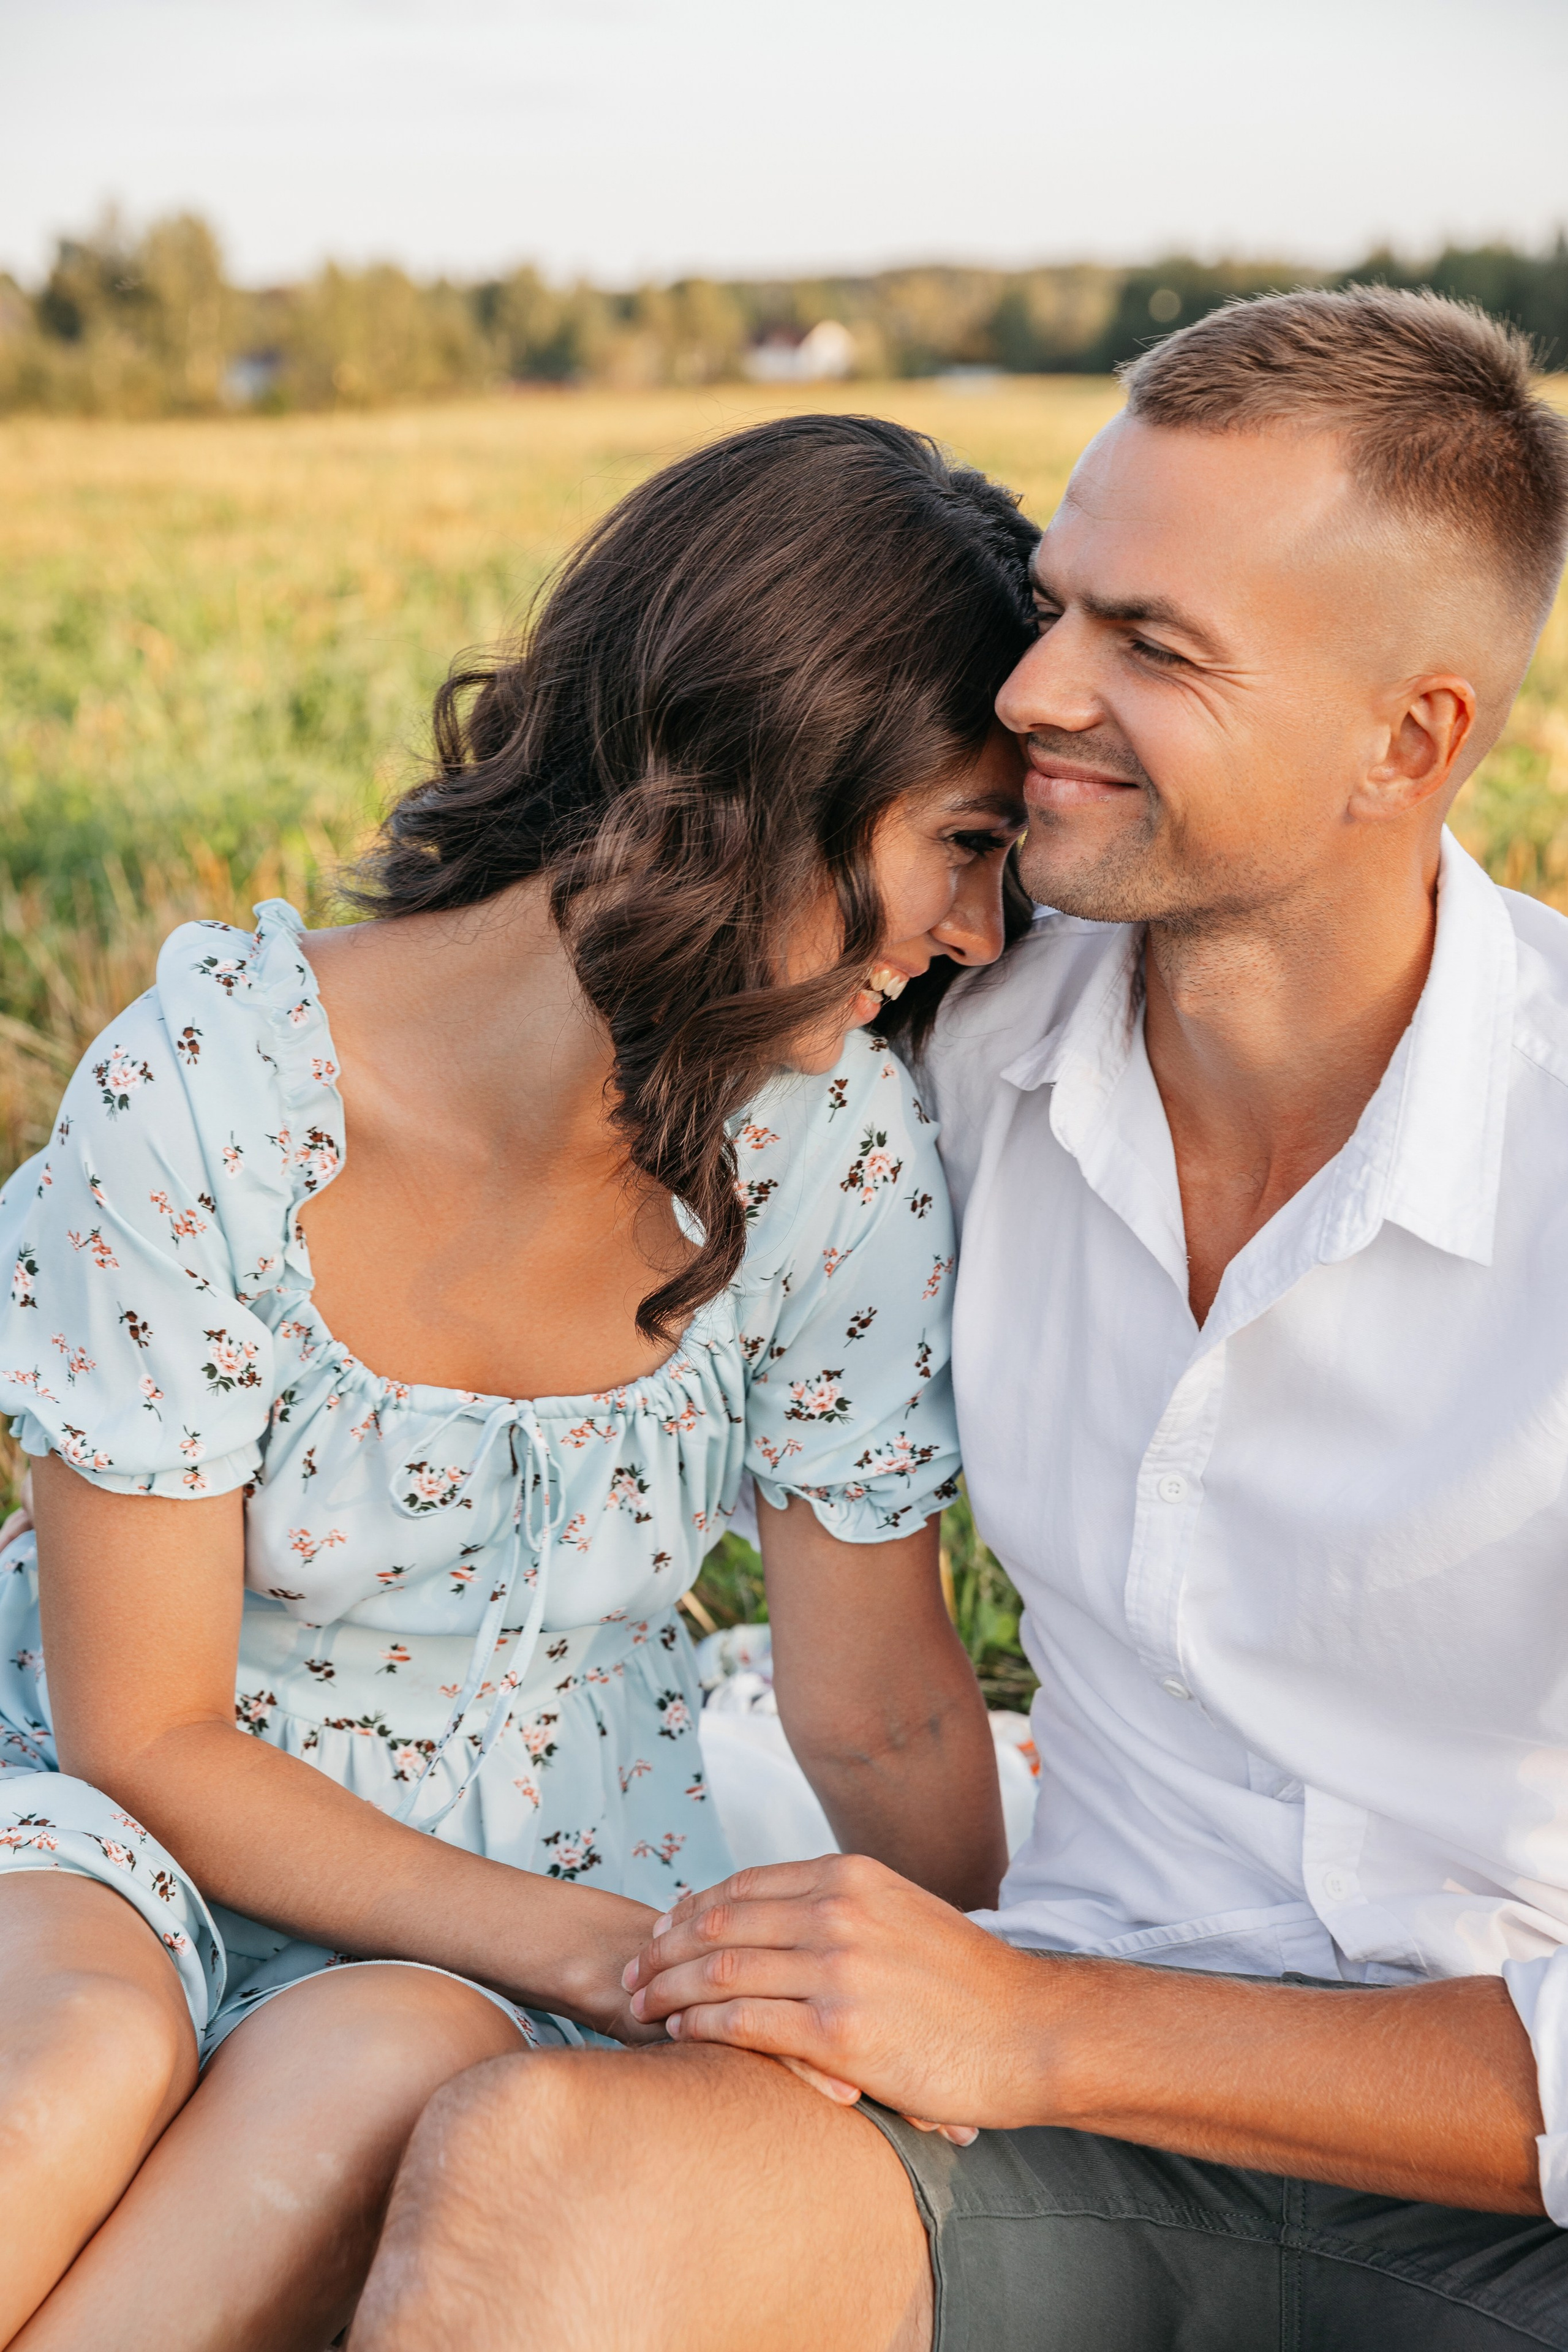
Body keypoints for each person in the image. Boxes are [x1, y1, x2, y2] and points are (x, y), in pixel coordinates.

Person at [348, 289, 1568, 2352]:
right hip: (1053, 2131)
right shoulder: (943, 1042)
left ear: (1410, 740)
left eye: (1151, 645)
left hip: (1488, 2186)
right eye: (1060, 601)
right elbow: (506, 1070)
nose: (1036, 685)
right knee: (539, 2177)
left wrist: (1042, 2020)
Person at [0, 413, 1038, 2347]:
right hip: (122, 1822)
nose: (980, 932)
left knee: (377, 2076)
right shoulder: (210, 1094)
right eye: (966, 844)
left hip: (515, 1880)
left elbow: (884, 1714)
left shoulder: (835, 1155)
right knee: (63, 2084)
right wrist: (613, 1949)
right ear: (775, 767)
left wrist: (996, 2019)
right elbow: (144, 1727)